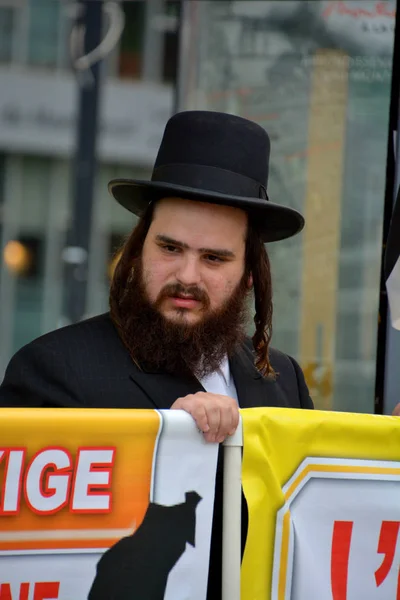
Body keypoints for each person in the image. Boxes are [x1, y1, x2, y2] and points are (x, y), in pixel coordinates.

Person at [0, 110, 313, 597]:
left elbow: (307, 533)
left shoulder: (283, 380)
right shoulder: (54, 371)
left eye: (214, 258)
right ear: (138, 250)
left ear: (250, 275)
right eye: (169, 248)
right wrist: (169, 439)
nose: (187, 276)